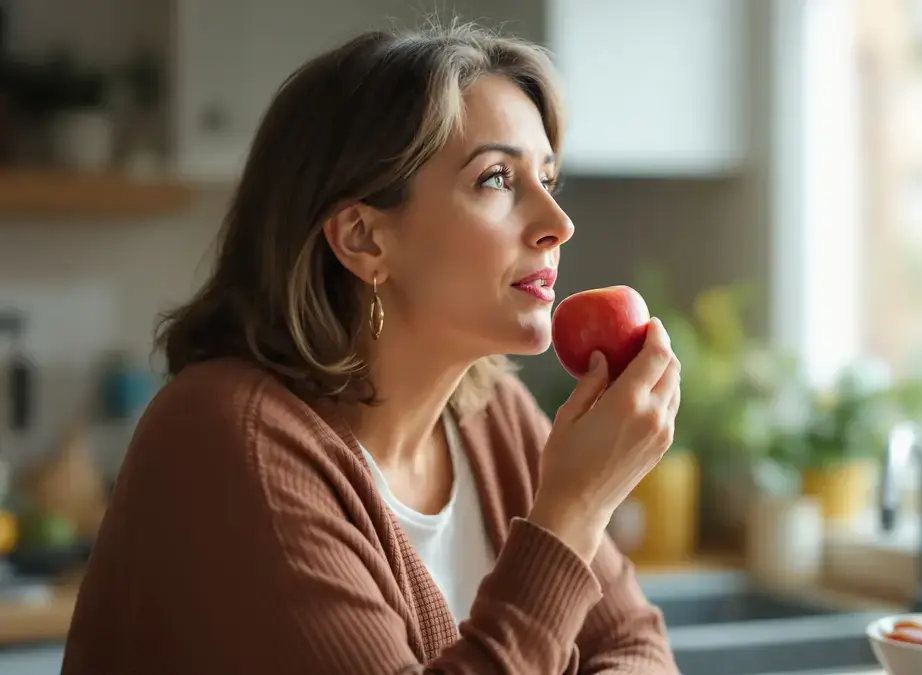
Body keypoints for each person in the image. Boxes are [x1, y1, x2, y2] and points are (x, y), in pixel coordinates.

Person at [62, 23, 681, 675]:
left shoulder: (495, 416)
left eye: (547, 178)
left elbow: (635, 646)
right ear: (363, 238)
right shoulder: (232, 439)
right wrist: (574, 508)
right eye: (497, 179)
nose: (559, 223)